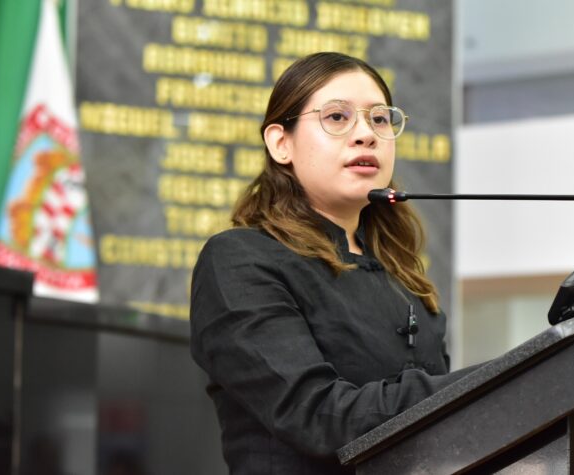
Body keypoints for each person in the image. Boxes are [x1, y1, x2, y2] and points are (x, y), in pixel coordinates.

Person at [190, 52, 472, 474]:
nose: (366, 135)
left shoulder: (404, 277)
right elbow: (317, 416)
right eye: (337, 117)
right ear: (281, 143)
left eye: (380, 119)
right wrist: (486, 382)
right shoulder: (238, 260)